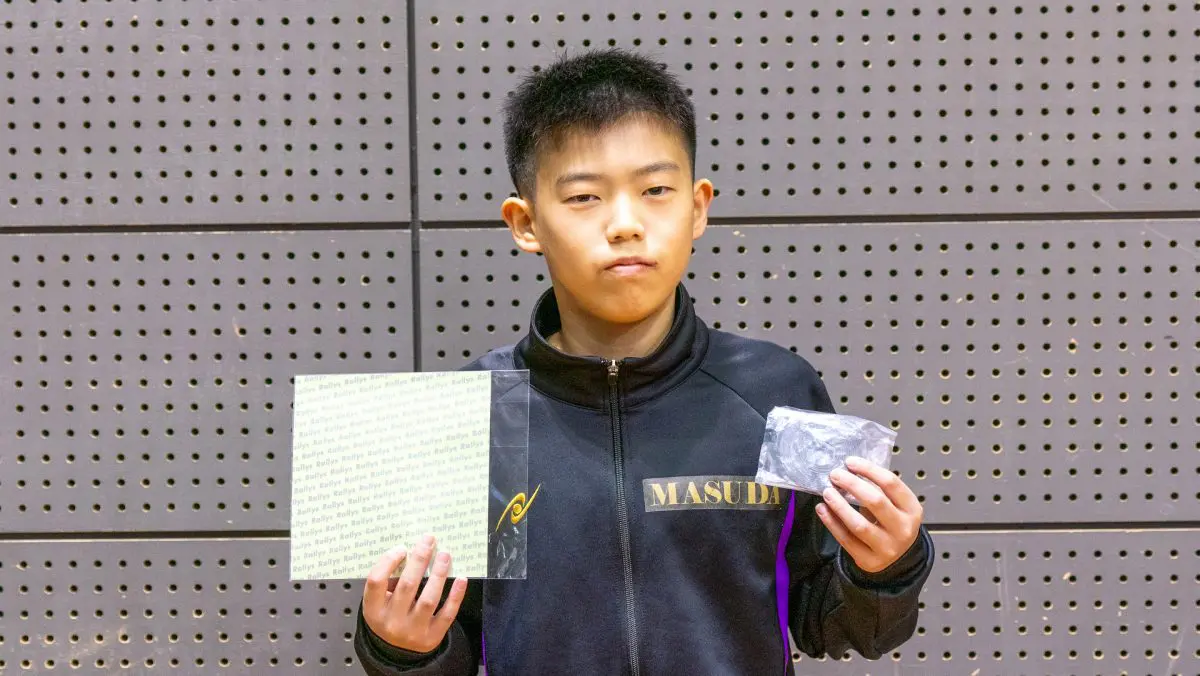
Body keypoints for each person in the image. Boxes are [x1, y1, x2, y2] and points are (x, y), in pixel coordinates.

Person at [353, 48, 933, 675]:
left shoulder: (775, 392)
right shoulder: (461, 416)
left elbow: (833, 623)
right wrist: (398, 648)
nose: (625, 224)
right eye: (583, 197)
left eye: (656, 190)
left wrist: (886, 566)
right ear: (525, 223)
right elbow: (446, 643)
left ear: (697, 207)